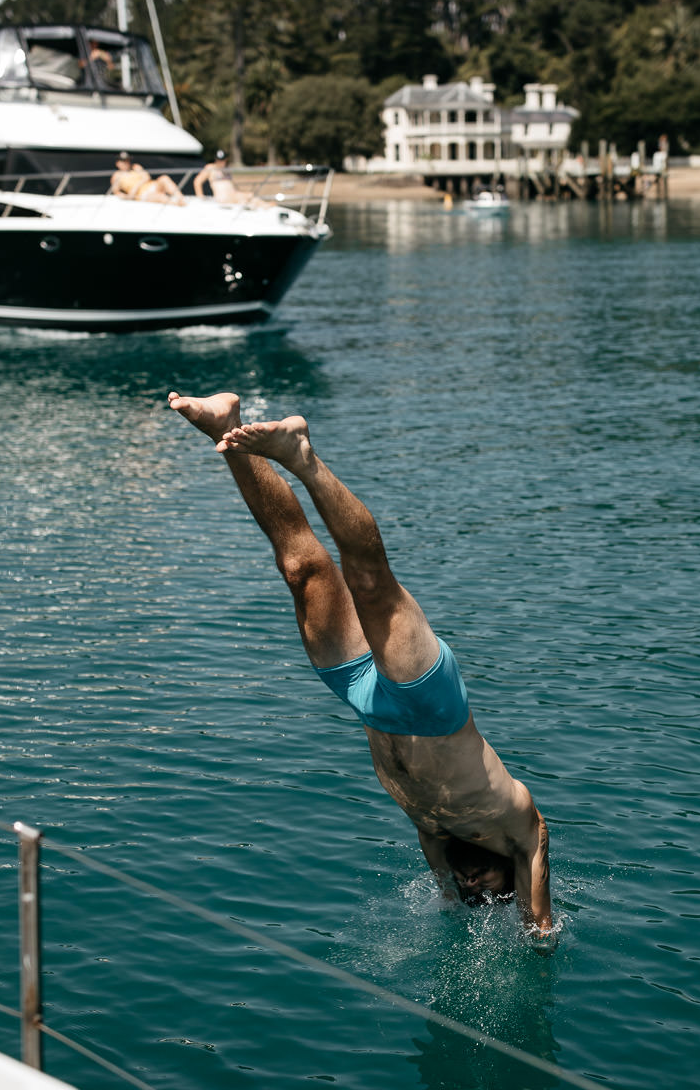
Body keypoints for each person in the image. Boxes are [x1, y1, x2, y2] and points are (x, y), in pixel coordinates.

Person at [167, 392, 554, 938]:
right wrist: (539, 928)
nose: (472, 887)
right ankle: (302, 456)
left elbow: (449, 896)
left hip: (366, 700)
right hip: (431, 702)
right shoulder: (517, 826)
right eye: (487, 890)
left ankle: (223, 428)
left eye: (470, 894)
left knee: (301, 567)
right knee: (372, 584)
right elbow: (540, 883)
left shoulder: (437, 839)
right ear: (510, 879)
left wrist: (454, 901)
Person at [192, 150, 272, 206]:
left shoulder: (227, 170)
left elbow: (232, 186)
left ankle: (267, 207)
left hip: (233, 195)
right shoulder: (211, 168)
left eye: (223, 160)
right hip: (223, 199)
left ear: (226, 160)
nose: (221, 162)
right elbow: (197, 182)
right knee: (244, 200)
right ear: (216, 160)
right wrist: (201, 198)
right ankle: (265, 206)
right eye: (219, 160)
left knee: (250, 195)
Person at [109, 153, 186, 205]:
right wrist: (128, 197)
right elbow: (116, 192)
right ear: (118, 163)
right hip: (142, 195)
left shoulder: (135, 167)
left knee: (164, 178)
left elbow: (146, 177)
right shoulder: (116, 176)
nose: (126, 163)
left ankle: (181, 198)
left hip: (152, 186)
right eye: (123, 161)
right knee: (160, 197)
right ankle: (176, 204)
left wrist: (136, 186)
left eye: (127, 160)